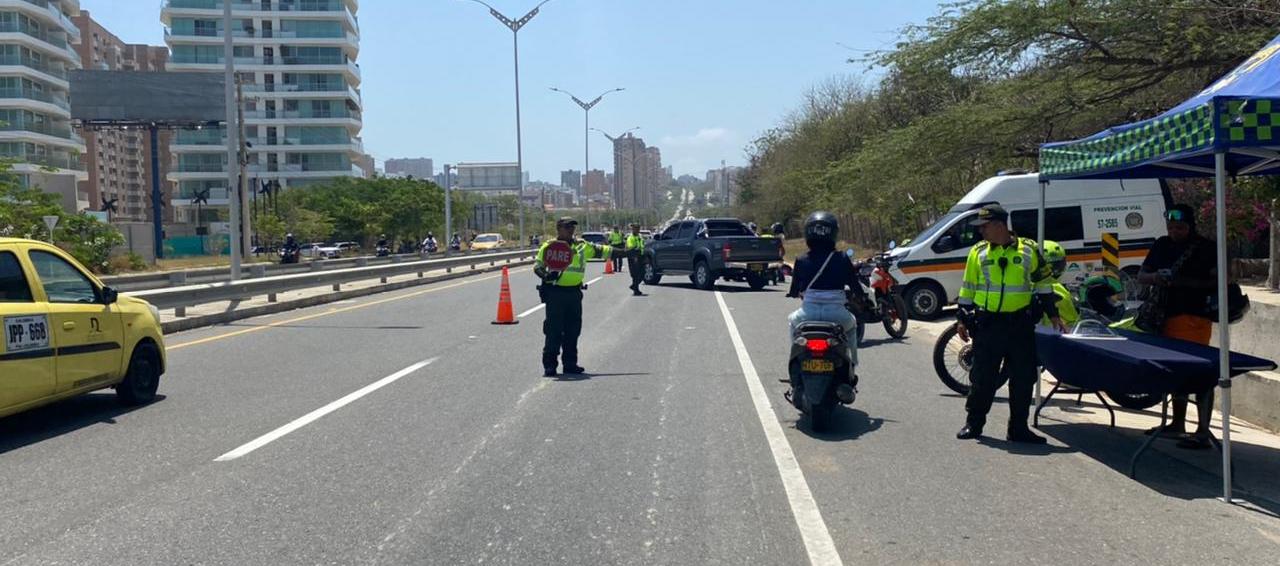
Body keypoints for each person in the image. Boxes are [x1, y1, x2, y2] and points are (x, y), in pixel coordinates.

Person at [955, 204, 1065, 444]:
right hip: (988, 325)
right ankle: (974, 423)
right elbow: (967, 287)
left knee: (1024, 378)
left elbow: (1044, 284)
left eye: (984, 226)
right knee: (982, 377)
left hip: (1020, 326)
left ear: (999, 225)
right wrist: (961, 319)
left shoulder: (1029, 250)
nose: (981, 231)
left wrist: (1053, 314)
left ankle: (1018, 429)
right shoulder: (978, 252)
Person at [1137, 204, 1219, 449]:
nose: (1175, 232)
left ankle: (1202, 431)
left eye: (1180, 228)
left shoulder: (1206, 248)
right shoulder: (1162, 244)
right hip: (1165, 318)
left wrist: (1182, 282)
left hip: (1195, 318)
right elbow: (1141, 275)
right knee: (1176, 373)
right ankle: (1177, 423)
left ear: (1190, 226)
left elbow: (1218, 281)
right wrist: (1156, 278)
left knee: (1201, 375)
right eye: (1171, 227)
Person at [535, 217, 612, 377]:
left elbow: (605, 251)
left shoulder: (581, 246)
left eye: (573, 227)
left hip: (574, 294)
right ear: (559, 229)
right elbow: (538, 266)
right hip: (555, 294)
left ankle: (570, 364)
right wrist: (546, 276)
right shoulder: (550, 246)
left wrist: (629, 253)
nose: (571, 230)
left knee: (573, 330)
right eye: (567, 227)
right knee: (553, 330)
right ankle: (550, 365)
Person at [786, 211, 860, 366]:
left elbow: (794, 289)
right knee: (852, 325)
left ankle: (795, 362)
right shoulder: (842, 258)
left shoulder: (801, 259)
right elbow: (854, 284)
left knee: (792, 322)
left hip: (807, 315)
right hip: (837, 315)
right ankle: (853, 363)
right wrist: (861, 296)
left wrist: (794, 293)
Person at [1039, 240, 1079, 327]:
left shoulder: (1026, 283)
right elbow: (1072, 320)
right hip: (1056, 332)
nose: (1055, 270)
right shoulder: (1058, 290)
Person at [625, 223, 646, 296]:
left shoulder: (640, 237)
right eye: (635, 228)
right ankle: (636, 290)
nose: (637, 230)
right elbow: (631, 248)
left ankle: (634, 286)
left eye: (638, 228)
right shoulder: (630, 238)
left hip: (640, 256)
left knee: (642, 273)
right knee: (635, 274)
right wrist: (635, 257)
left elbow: (642, 245)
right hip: (633, 257)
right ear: (633, 229)